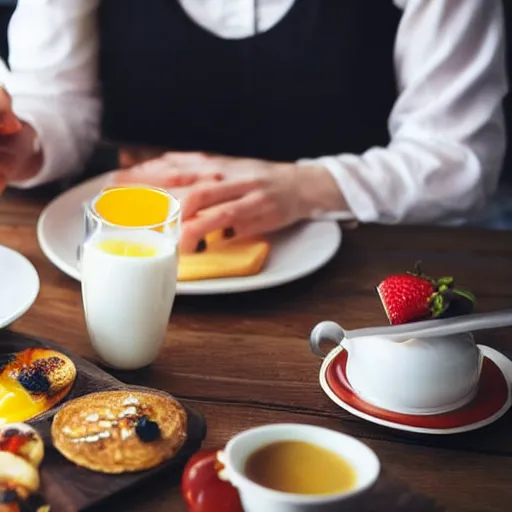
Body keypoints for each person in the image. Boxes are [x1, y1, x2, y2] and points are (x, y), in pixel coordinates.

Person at [0, 0, 508, 253]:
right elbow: (56, 95)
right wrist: (26, 143)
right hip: (123, 255)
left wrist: (304, 187)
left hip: (365, 265)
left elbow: (458, 160)